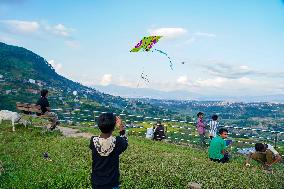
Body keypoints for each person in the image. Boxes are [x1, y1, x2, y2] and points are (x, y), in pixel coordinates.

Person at [89, 113, 128, 189]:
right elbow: (125, 143)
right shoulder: (118, 141)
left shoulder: (93, 140)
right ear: (113, 128)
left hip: (96, 182)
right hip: (112, 183)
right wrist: (121, 128)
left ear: (99, 126)